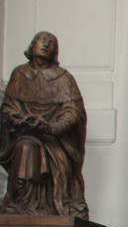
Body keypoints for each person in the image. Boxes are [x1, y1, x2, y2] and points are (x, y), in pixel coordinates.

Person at [0, 31, 87, 217]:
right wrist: (18, 120)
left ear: (55, 52)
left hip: (54, 141)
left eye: (51, 43)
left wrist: (52, 128)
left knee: (38, 151)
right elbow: (7, 109)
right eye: (42, 40)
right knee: (26, 146)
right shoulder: (19, 74)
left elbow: (74, 112)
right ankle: (22, 202)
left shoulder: (64, 78)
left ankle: (40, 206)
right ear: (32, 46)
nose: (46, 45)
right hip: (24, 136)